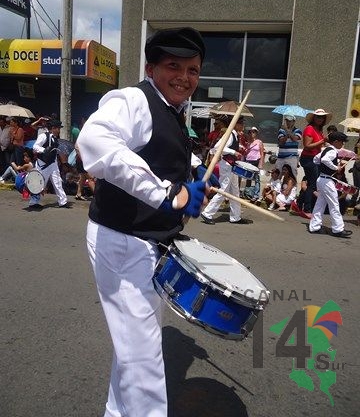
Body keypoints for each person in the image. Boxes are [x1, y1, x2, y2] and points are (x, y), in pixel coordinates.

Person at [77, 27, 211, 417]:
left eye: (193, 70)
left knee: (133, 349)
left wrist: (197, 177)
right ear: (151, 68)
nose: (184, 78)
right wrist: (167, 193)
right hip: (123, 241)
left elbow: (161, 154)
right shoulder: (134, 99)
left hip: (148, 244)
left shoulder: (172, 109)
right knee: (144, 361)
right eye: (174, 66)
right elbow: (96, 142)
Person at [201, 115, 253, 225]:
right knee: (223, 189)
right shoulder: (230, 134)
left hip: (231, 165)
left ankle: (236, 216)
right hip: (227, 165)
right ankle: (207, 213)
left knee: (235, 191)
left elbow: (227, 147)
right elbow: (217, 148)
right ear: (236, 124)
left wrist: (237, 147)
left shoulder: (234, 134)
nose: (243, 126)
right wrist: (234, 152)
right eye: (241, 123)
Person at [308, 131, 353, 238]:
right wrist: (335, 167)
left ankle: (314, 226)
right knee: (334, 204)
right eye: (342, 142)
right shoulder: (332, 151)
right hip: (327, 180)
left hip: (322, 179)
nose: (343, 144)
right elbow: (324, 159)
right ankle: (337, 229)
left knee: (320, 204)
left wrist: (326, 167)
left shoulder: (326, 149)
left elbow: (316, 159)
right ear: (336, 141)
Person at [298, 108, 332, 218]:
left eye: (322, 117)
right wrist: (323, 141)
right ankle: (306, 209)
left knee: (313, 183)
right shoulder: (309, 128)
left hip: (315, 158)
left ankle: (298, 204)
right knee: (313, 184)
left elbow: (318, 145)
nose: (320, 119)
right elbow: (307, 146)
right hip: (308, 158)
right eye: (318, 116)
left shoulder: (319, 130)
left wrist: (326, 145)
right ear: (314, 118)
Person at [29, 119, 69, 210]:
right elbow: (35, 146)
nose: (59, 130)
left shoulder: (54, 138)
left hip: (53, 163)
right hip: (43, 164)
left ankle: (63, 202)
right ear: (53, 128)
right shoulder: (43, 136)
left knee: (57, 182)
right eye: (58, 128)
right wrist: (44, 150)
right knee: (39, 183)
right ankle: (33, 202)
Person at [243, 126, 265, 203]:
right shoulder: (248, 143)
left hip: (256, 160)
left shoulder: (259, 142)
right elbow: (245, 153)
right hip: (249, 160)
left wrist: (261, 164)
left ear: (256, 133)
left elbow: (262, 153)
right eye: (250, 132)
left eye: (253, 132)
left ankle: (256, 195)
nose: (252, 133)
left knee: (256, 179)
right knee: (248, 178)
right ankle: (248, 193)